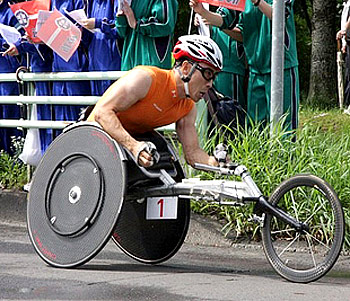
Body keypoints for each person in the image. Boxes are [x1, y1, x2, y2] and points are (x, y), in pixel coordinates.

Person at [87, 35, 222, 168]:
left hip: (121, 151)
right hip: (89, 144)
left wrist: (218, 163)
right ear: (186, 68)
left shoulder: (187, 108)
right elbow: (102, 112)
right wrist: (133, 146)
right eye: (208, 74)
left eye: (213, 77)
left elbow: (192, 154)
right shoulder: (145, 79)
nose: (210, 84)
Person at [190, 0, 299, 132]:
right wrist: (203, 12)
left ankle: (284, 154)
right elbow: (225, 20)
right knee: (256, 126)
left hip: (282, 67)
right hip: (256, 68)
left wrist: (257, 2)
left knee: (283, 125)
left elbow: (280, 15)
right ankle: (259, 153)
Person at [115, 0, 178, 71]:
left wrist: (137, 24)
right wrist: (121, 17)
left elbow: (165, 24)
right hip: (129, 63)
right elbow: (122, 32)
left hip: (151, 63)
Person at [81, 0, 122, 96]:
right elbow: (88, 38)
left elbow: (121, 28)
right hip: (94, 66)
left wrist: (99, 23)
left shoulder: (116, 2)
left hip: (112, 66)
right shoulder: (90, 2)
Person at [0, 0, 24, 154]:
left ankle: (14, 159)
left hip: (8, 72)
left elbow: (20, 38)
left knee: (11, 116)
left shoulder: (13, 11)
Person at [337, 0, 350, 108]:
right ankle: (346, 104)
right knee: (348, 73)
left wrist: (344, 30)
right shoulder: (346, 4)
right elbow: (344, 21)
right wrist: (344, 43)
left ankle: (347, 104)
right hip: (348, 41)